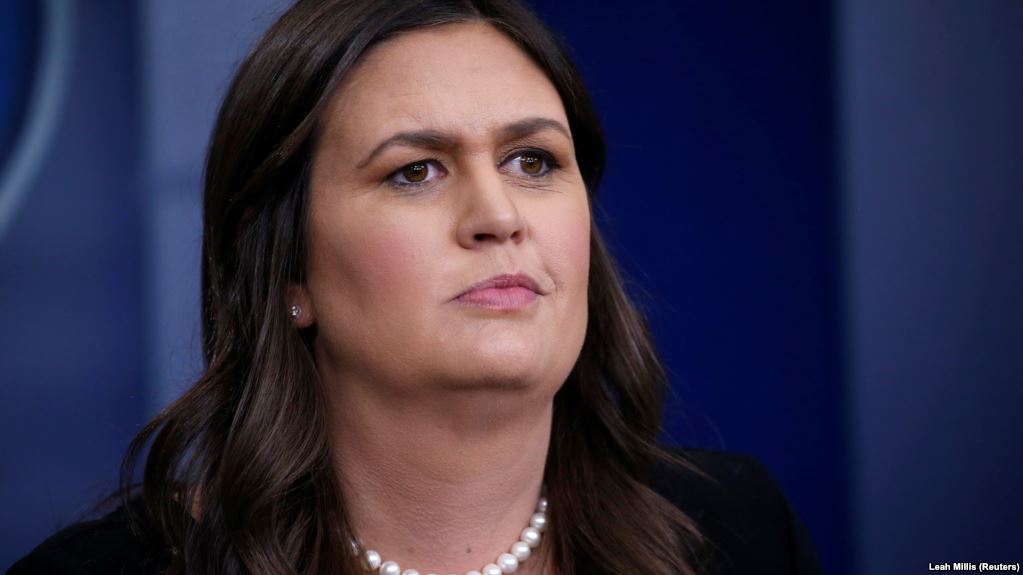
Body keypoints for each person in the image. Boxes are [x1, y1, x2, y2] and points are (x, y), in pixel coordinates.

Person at [8, 1, 823, 574]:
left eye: (532, 160)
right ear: (287, 269)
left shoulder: (738, 530)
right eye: (415, 171)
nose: (498, 215)